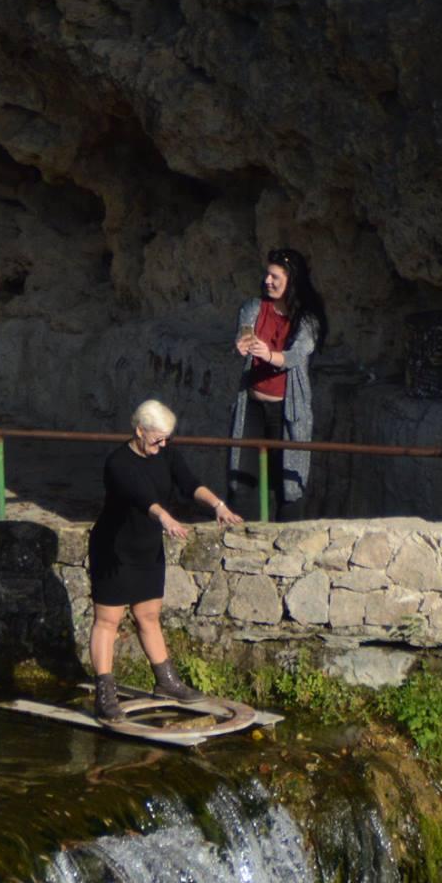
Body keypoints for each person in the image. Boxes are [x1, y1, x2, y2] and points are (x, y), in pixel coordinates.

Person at [87, 399, 241, 721]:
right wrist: (165, 518)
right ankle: (105, 692)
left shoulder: (166, 454)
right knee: (108, 620)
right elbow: (140, 496)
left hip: (146, 548)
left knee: (149, 615)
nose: (163, 444)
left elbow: (190, 483)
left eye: (167, 438)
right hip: (114, 549)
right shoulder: (118, 462)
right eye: (157, 438)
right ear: (139, 430)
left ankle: (166, 681)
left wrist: (218, 505)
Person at [228, 247, 327, 521]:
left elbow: (296, 355)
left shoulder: (307, 319)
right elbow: (244, 331)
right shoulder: (253, 307)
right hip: (253, 405)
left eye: (275, 277)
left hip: (287, 410)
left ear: (292, 281)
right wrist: (242, 344)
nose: (267, 281)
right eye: (267, 275)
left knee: (289, 486)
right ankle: (240, 543)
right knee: (241, 480)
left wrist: (268, 355)